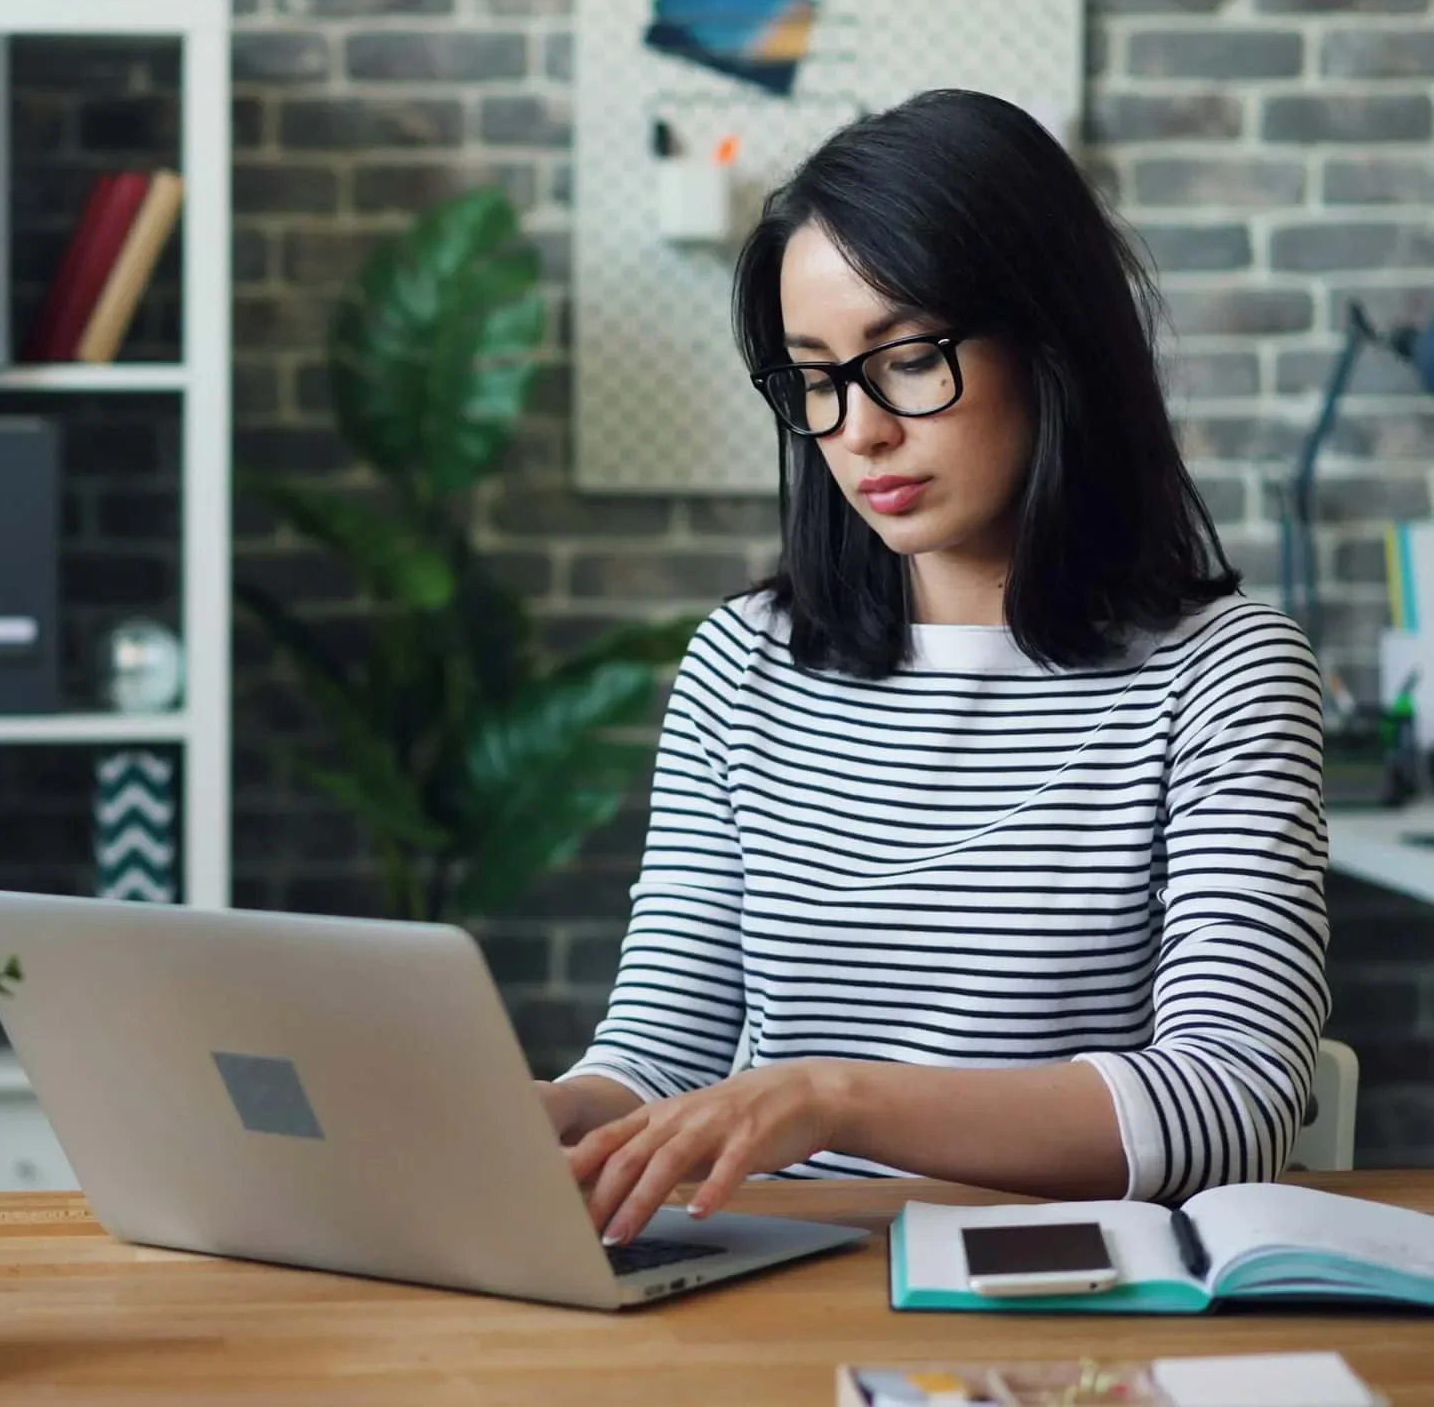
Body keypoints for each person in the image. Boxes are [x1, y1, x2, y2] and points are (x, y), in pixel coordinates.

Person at [536, 89, 1329, 1250]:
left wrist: (833, 1097)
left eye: (908, 360)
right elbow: (662, 1052)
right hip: (773, 1277)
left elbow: (1233, 1100)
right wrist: (559, 1116)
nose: (859, 431)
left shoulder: (1224, 672)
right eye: (816, 379)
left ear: (1052, 344)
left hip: (1067, 1288)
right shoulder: (743, 663)